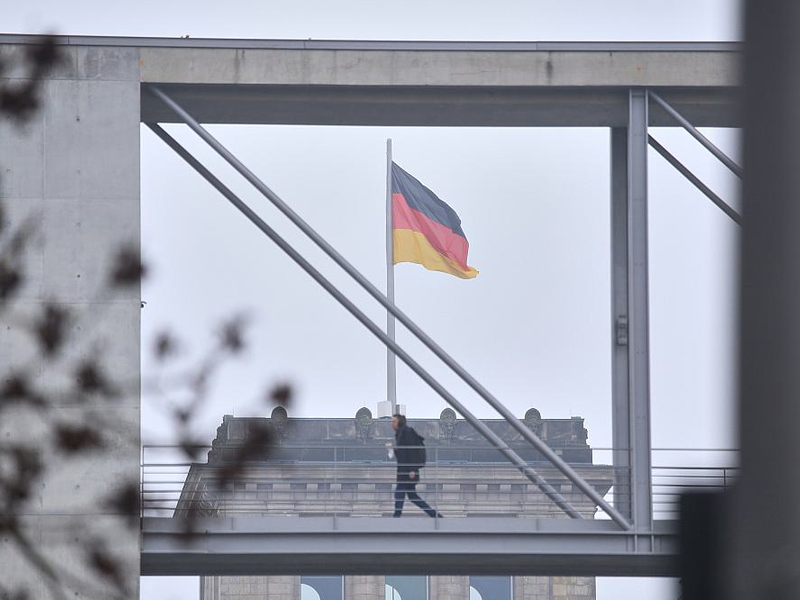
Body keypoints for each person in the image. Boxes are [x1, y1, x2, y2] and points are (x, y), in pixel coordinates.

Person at [391, 413, 442, 518]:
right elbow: (403, 454)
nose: (392, 424)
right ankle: (433, 514)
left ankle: (396, 516)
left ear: (399, 422)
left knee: (400, 492)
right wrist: (394, 450)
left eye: (394, 421)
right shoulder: (400, 434)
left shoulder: (407, 432)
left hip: (407, 471)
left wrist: (413, 469)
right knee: (412, 496)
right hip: (406, 470)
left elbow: (412, 451)